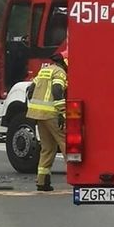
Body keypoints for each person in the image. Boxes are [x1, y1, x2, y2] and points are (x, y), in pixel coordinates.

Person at [26, 48, 67, 192]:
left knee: (47, 148)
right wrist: (62, 112)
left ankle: (42, 182)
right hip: (52, 114)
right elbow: (57, 90)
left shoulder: (44, 70)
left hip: (38, 114)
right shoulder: (59, 72)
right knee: (66, 144)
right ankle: (78, 178)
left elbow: (30, 89)